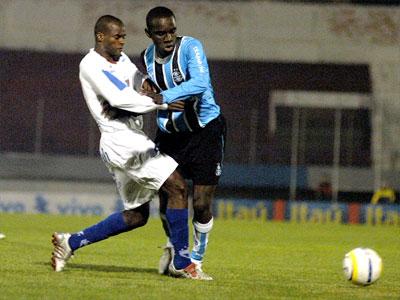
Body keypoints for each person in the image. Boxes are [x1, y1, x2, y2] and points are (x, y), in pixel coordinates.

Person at [51, 15, 208, 280]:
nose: (122, 41)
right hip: (120, 140)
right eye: (117, 36)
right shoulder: (90, 64)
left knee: (137, 216)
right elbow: (119, 98)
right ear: (101, 37)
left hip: (128, 138)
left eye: (124, 36)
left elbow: (137, 80)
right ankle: (181, 262)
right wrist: (162, 103)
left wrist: (153, 86)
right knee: (177, 186)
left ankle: (70, 243)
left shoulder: (120, 59)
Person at [141, 6, 226, 280]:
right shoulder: (147, 57)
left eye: (172, 31)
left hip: (204, 132)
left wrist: (163, 97)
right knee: (168, 195)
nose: (168, 37)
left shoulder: (191, 47)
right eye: (160, 33)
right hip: (170, 135)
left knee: (201, 203)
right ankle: (177, 249)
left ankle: (196, 259)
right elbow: (151, 95)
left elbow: (201, 83)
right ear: (149, 34)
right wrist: (157, 99)